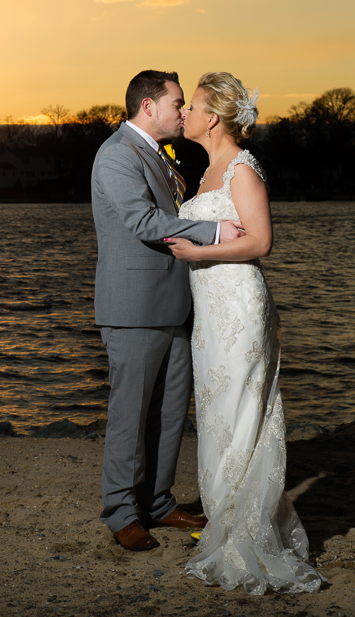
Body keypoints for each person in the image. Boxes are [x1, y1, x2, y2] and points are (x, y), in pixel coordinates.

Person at [164, 72, 324, 593]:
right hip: (210, 313)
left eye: (193, 107)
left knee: (240, 410)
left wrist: (199, 252)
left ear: (212, 117)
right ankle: (225, 517)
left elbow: (261, 242)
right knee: (216, 411)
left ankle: (242, 531)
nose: (184, 113)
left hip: (238, 306)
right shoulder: (206, 169)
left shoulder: (241, 169)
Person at [91, 70, 243, 552]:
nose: (183, 111)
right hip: (134, 308)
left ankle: (157, 502)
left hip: (173, 305)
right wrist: (215, 233)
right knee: (130, 416)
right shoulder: (116, 155)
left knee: (170, 412)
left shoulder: (157, 153)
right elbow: (143, 221)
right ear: (148, 107)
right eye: (177, 103)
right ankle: (120, 512)